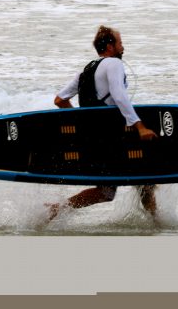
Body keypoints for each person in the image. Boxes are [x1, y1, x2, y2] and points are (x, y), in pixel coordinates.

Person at [46, 25, 158, 220]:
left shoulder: (87, 70)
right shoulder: (114, 64)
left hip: (93, 137)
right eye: (120, 43)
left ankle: (58, 209)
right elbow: (120, 96)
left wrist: (81, 121)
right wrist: (140, 127)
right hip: (112, 136)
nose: (123, 47)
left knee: (117, 188)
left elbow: (59, 100)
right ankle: (158, 222)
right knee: (130, 183)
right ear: (109, 46)